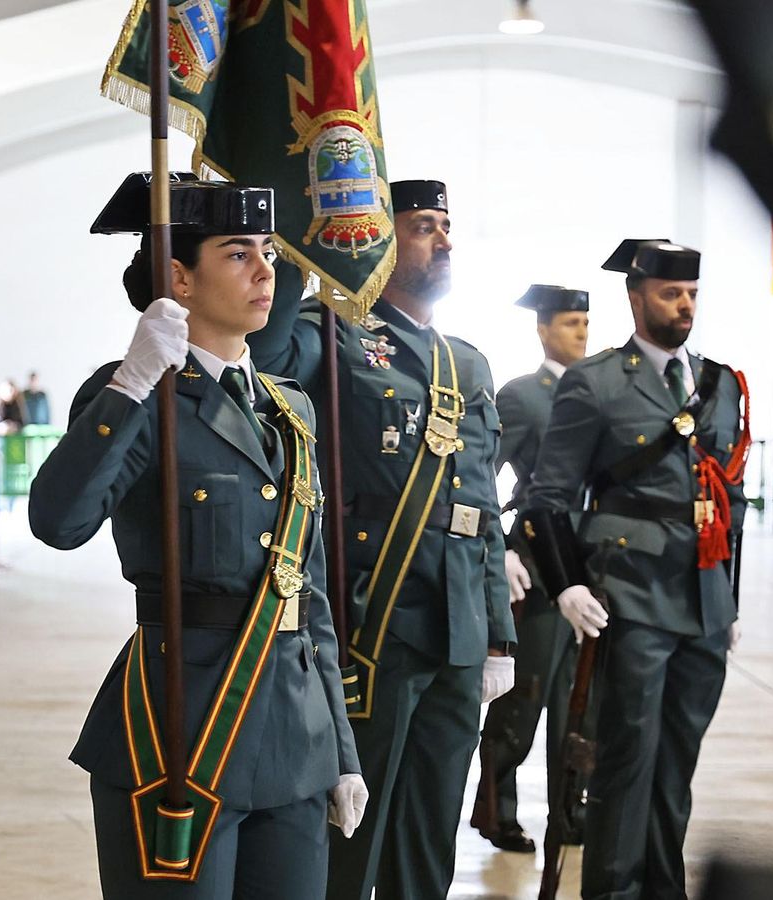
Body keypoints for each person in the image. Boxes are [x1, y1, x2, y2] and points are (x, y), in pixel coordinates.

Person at [30, 174, 364, 899]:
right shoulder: (138, 394)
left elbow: (305, 598)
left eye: (268, 251)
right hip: (181, 729)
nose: (265, 270)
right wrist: (132, 382)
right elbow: (59, 523)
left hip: (295, 739)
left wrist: (341, 749)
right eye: (238, 253)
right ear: (179, 278)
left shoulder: (289, 408)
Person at [248, 179, 516, 900]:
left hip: (456, 635)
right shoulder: (329, 334)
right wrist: (302, 259)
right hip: (372, 629)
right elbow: (263, 360)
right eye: (425, 226)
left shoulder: (468, 363)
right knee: (350, 840)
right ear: (384, 240)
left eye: (447, 226)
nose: (445, 240)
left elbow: (481, 505)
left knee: (429, 839)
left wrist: (499, 634)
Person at [524, 238, 750, 900]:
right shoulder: (595, 383)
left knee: (676, 766)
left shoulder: (722, 385)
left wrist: (729, 600)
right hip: (630, 595)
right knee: (626, 763)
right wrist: (565, 581)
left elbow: (729, 501)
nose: (684, 306)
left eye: (692, 295)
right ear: (636, 296)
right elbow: (549, 498)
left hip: (703, 601)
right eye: (670, 294)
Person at [472, 283, 591, 854]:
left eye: (586, 325)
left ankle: (570, 811)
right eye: (570, 324)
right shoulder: (523, 396)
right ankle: (498, 811)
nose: (582, 336)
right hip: (537, 569)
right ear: (543, 329)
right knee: (527, 698)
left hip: (587, 567)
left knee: (578, 702)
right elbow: (481, 477)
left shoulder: (596, 393)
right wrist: (501, 550)